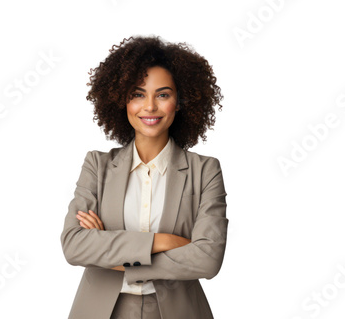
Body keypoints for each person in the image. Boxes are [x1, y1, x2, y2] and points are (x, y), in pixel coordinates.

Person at [61, 35, 228, 319]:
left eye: (162, 94)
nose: (149, 106)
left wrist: (109, 249)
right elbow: (74, 245)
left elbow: (207, 259)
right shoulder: (97, 165)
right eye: (138, 94)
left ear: (179, 101)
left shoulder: (205, 171)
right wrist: (163, 241)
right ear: (121, 101)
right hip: (101, 311)